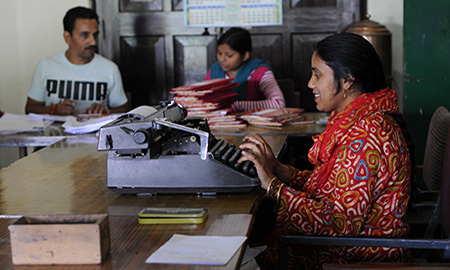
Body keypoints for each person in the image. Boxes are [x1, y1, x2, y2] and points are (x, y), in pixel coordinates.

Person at [238, 32, 411, 269]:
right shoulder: (356, 120)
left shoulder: (368, 135)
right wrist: (280, 170)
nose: (310, 83)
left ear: (347, 80)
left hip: (359, 256)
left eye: (317, 74)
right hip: (349, 245)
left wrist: (272, 186)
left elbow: (339, 223)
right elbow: (334, 189)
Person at [25, 6, 128, 116]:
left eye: (95, 35)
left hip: (95, 133)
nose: (93, 42)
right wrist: (53, 109)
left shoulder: (110, 68)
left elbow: (123, 110)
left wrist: (105, 111)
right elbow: (30, 108)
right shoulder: (45, 65)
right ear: (68, 37)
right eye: (85, 35)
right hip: (54, 132)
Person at [205, 27, 285, 112]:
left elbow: (279, 103)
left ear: (245, 55)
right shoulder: (214, 71)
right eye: (219, 53)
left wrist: (237, 106)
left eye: (229, 55)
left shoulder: (260, 72)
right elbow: (201, 101)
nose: (222, 59)